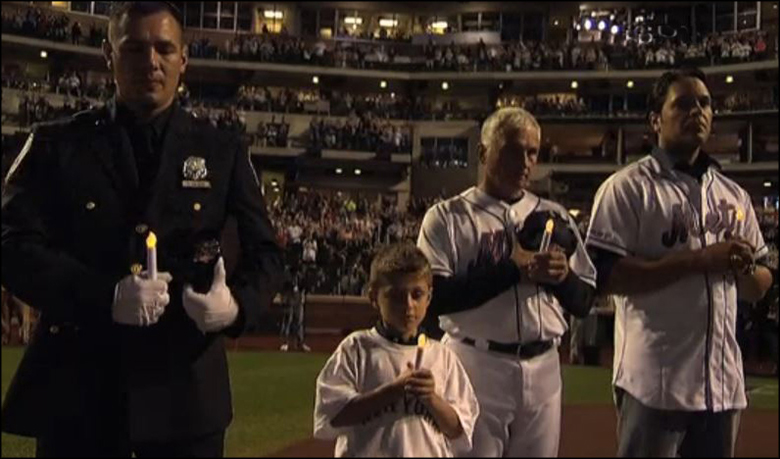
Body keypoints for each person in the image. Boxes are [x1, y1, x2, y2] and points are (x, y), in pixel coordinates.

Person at [1, 3, 284, 456]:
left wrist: (235, 307)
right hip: (79, 396)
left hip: (186, 401)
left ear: (183, 60)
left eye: (164, 48)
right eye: (134, 48)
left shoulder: (223, 149)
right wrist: (104, 295)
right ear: (107, 56)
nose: (150, 62)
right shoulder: (58, 144)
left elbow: (267, 254)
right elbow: (10, 245)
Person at [585, 68, 773, 458]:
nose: (697, 112)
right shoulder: (627, 188)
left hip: (722, 386)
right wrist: (701, 259)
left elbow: (759, 285)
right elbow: (606, 277)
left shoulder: (733, 194)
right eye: (683, 104)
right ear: (656, 119)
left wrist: (741, 268)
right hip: (655, 385)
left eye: (704, 104)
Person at [417, 107, 597, 457]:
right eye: (513, 150)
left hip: (544, 365)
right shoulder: (448, 217)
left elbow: (585, 299)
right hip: (474, 363)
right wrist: (512, 269)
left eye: (532, 152)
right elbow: (435, 298)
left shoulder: (555, 215)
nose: (525, 161)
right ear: (484, 153)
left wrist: (562, 278)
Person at [314, 243, 479, 457]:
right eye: (396, 296)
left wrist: (431, 399)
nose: (408, 305)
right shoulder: (357, 348)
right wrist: (391, 392)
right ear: (374, 297)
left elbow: (458, 430)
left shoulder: (442, 355)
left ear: (429, 297)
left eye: (417, 294)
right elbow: (331, 416)